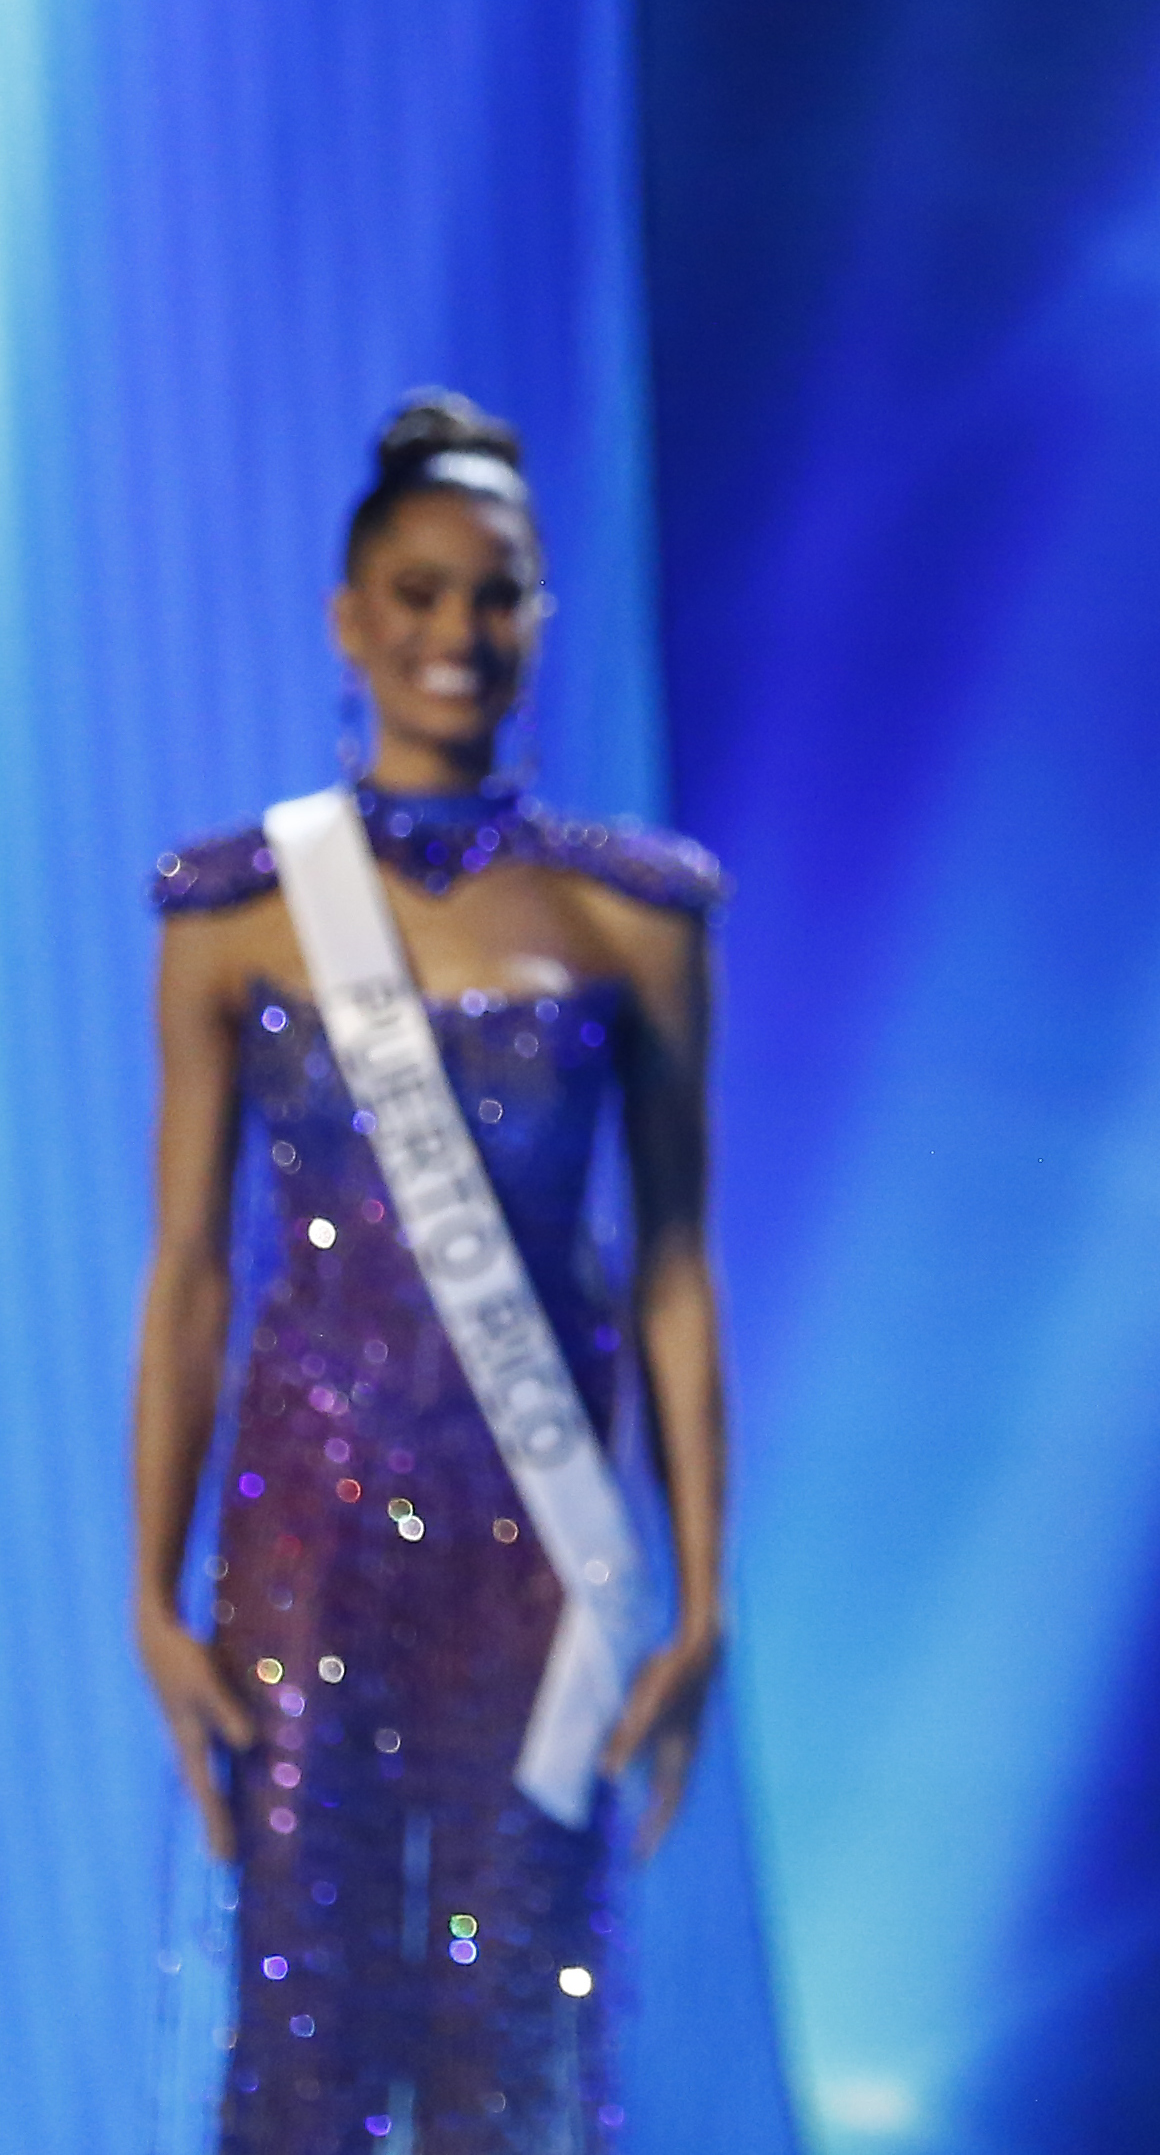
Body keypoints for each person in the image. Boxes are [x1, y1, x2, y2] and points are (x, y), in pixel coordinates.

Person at [131, 396, 731, 2155]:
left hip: (541, 1553)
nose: (453, 634)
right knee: (303, 2001)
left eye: (494, 595)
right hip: (301, 1534)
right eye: (415, 592)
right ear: (346, 612)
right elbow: (185, 1268)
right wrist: (149, 1595)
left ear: (541, 614)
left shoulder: (636, 914)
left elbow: (677, 1263)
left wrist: (702, 1594)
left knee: (511, 2014)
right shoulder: (231, 910)